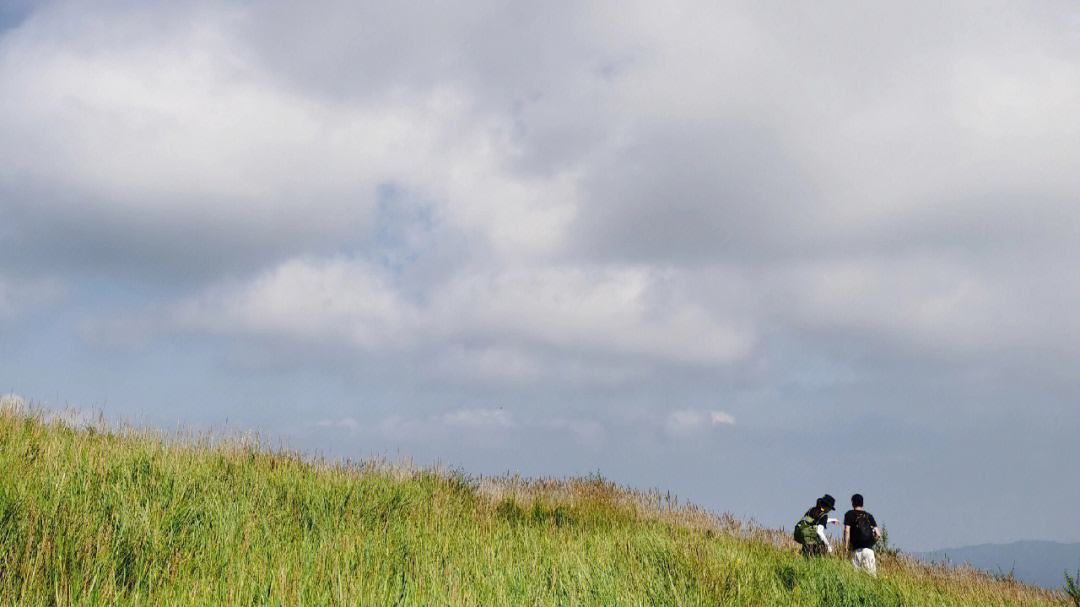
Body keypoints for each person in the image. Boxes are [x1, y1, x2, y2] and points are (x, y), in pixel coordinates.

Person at [842, 493, 881, 575]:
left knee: (855, 577)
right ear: (862, 503)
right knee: (871, 577)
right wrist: (871, 542)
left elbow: (846, 531)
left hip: (856, 550)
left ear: (852, 503)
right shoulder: (869, 516)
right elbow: (878, 534)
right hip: (869, 550)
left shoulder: (849, 514)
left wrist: (845, 547)